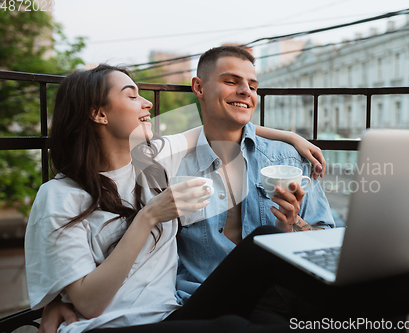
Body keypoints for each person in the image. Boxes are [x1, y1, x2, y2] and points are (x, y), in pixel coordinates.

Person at [22, 63, 327, 333]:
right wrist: (149, 216)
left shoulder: (151, 159)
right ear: (99, 114)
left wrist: (290, 137)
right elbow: (88, 304)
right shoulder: (60, 195)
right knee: (234, 326)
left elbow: (218, 126)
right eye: (131, 96)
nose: (146, 104)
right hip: (106, 325)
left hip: (171, 316)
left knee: (265, 242)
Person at [173, 46, 334, 320]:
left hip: (278, 298)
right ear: (198, 87)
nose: (246, 91)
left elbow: (324, 243)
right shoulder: (170, 165)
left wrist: (292, 224)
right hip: (204, 302)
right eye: (231, 81)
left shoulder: (287, 159)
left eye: (253, 85)